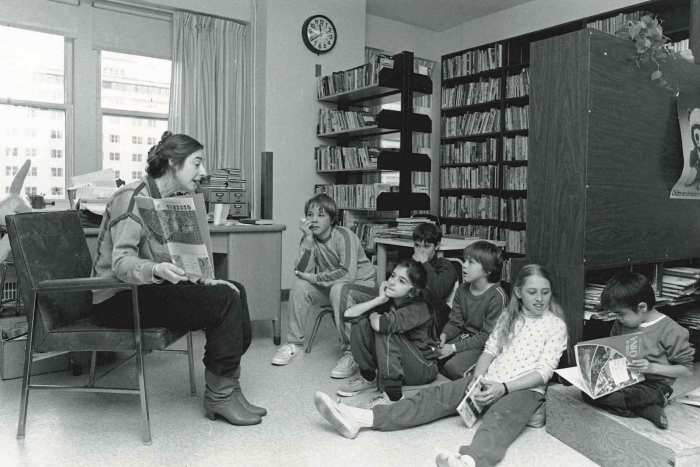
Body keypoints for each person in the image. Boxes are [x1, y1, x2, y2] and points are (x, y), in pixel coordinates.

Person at [314, 264, 568, 467]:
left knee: (499, 421)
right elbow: (489, 351)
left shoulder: (555, 325)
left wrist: (503, 387)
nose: (539, 298)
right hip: (488, 380)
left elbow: (543, 372)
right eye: (532, 292)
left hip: (523, 390)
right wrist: (478, 381)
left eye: (545, 292)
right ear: (520, 292)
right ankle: (362, 418)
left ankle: (469, 461)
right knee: (433, 397)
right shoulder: (508, 317)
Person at [92, 131, 265, 426]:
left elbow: (179, 259)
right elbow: (121, 264)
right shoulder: (131, 196)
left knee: (234, 289)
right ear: (173, 162)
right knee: (223, 300)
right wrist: (155, 270)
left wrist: (202, 280)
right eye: (197, 163)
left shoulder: (173, 200)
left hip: (147, 291)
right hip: (117, 298)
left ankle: (229, 385)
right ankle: (219, 396)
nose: (203, 172)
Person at [272, 193, 377, 379]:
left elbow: (347, 274)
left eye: (321, 215)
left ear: (332, 218)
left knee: (338, 288)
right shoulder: (309, 238)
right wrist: (308, 241)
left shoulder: (344, 236)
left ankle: (352, 353)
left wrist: (314, 277)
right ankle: (295, 345)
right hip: (334, 286)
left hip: (363, 286)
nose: (314, 220)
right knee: (299, 286)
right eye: (310, 215)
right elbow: (301, 271)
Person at [582, 271, 694, 429]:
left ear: (641, 307)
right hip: (624, 380)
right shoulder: (621, 323)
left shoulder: (671, 330)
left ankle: (649, 405)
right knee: (587, 392)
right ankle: (646, 409)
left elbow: (687, 370)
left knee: (620, 396)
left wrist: (652, 367)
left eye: (621, 314)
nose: (618, 319)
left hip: (655, 387)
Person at [336, 259, 439, 407]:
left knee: (385, 330)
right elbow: (347, 316)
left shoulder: (420, 307)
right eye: (392, 276)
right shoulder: (388, 301)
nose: (392, 282)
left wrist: (373, 315)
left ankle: (393, 395)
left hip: (423, 367)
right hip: (401, 363)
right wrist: (377, 301)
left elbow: (381, 324)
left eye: (401, 280)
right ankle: (369, 379)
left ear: (412, 291)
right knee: (361, 324)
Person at [437, 241, 507, 380]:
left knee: (453, 367)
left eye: (471, 262)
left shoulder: (497, 296)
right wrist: (444, 335)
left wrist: (453, 348)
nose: (464, 265)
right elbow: (456, 322)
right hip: (464, 339)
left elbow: (487, 337)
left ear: (488, 270)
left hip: (485, 346)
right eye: (465, 260)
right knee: (432, 355)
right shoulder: (462, 289)